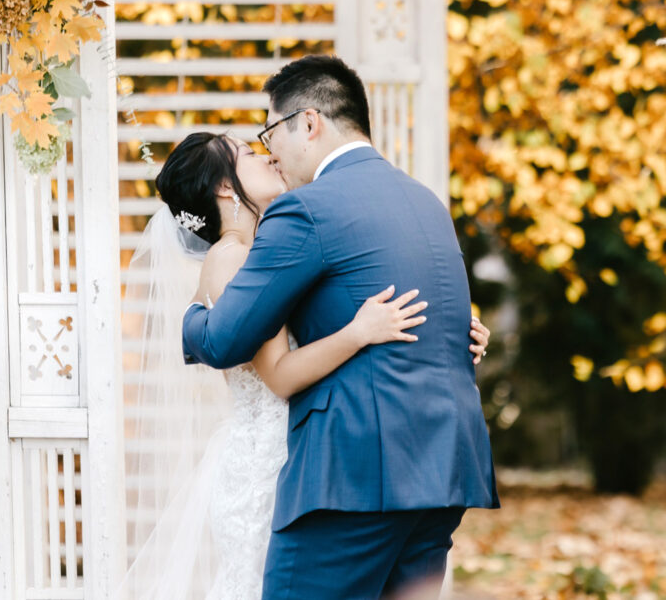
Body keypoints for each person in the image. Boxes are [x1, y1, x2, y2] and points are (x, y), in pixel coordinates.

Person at [182, 55, 501, 599]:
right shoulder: (426, 202)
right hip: (443, 470)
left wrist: (192, 319)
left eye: (271, 132)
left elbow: (225, 339)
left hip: (353, 479)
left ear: (308, 123)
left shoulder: (308, 210)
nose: (272, 153)